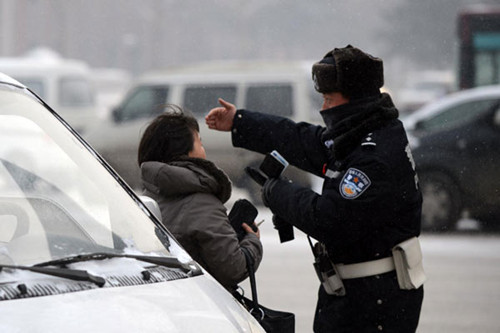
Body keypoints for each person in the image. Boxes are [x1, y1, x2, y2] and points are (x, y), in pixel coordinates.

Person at [206, 45, 424, 332]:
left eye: (329, 99)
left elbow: (330, 219)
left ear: (353, 102)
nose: (323, 108)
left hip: (374, 305)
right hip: (361, 294)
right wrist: (241, 123)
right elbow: (302, 140)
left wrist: (277, 191)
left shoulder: (373, 156)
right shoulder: (364, 133)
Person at [138, 105, 263, 292]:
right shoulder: (202, 203)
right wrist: (252, 242)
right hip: (202, 306)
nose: (204, 151)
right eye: (200, 143)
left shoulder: (143, 200)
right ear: (185, 152)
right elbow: (234, 268)